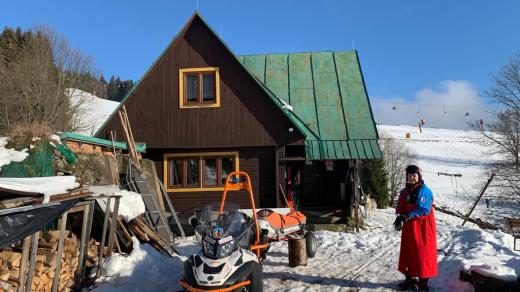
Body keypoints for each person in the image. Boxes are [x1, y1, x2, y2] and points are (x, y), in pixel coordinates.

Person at [393, 165, 438, 291]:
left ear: (419, 176)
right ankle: (410, 278)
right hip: (409, 226)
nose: (412, 177)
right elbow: (400, 206)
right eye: (409, 175)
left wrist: (406, 216)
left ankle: (423, 282)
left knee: (423, 253)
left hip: (423, 226)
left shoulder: (424, 191)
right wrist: (399, 217)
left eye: (414, 175)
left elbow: (424, 209)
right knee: (408, 251)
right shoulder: (405, 191)